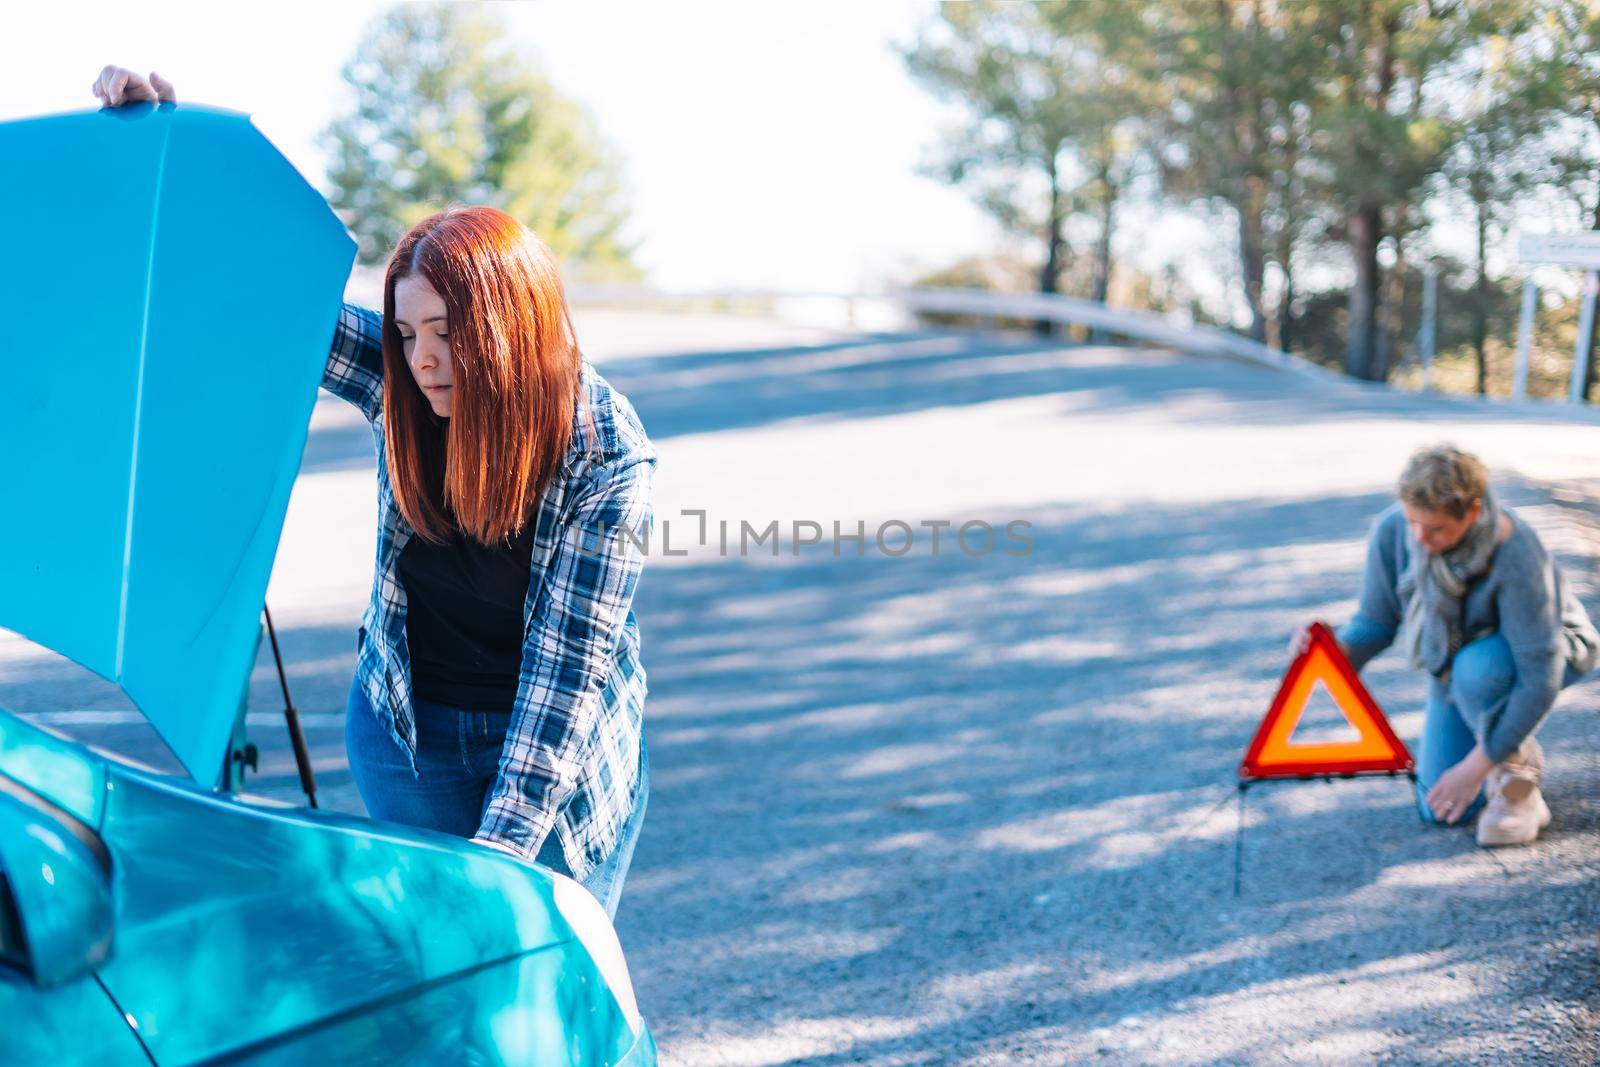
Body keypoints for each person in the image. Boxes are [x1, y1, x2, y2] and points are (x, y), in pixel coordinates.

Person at [92, 68, 656, 917]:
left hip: (561, 762)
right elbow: (270, 297)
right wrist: (161, 148)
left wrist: (495, 865)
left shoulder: (603, 454)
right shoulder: (401, 382)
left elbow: (563, 686)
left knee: (531, 976)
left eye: (447, 334)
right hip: (409, 736)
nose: (421, 358)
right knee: (434, 971)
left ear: (511, 334)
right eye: (405, 331)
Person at [1294, 444, 1598, 847]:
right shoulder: (1395, 533)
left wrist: (1475, 766)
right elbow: (1375, 624)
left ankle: (1517, 785)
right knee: (1440, 806)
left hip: (1549, 652)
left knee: (1478, 670)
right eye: (1412, 522)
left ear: (1472, 512)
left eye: (1435, 528)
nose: (1420, 538)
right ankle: (1497, 751)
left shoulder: (1515, 550)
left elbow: (1540, 677)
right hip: (1456, 668)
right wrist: (1332, 650)